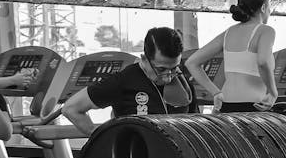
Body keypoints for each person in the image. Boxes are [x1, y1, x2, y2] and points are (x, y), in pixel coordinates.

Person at [62, 27, 196, 136]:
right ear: (144, 59)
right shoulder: (123, 81)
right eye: (161, 70)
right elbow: (71, 108)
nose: (168, 77)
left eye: (173, 68)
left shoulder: (183, 86)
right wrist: (103, 140)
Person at [186, 0, 277, 113]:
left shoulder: (228, 33)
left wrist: (216, 93)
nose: (270, 11)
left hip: (226, 107)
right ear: (263, 7)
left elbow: (191, 62)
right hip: (254, 107)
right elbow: (262, 62)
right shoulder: (266, 31)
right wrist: (273, 93)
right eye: (269, 6)